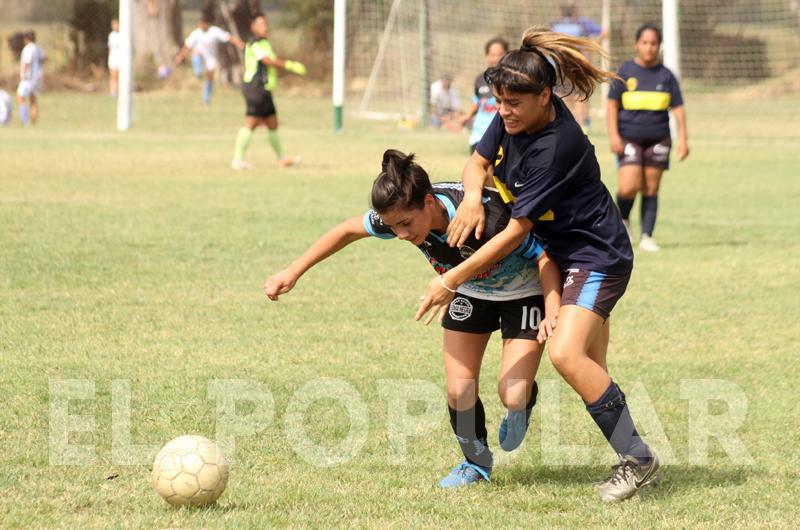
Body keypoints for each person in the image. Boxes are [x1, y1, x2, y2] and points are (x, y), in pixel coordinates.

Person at [416, 27, 660, 502]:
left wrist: (451, 278)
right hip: (563, 258)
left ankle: (639, 459)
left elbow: (516, 232)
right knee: (591, 366)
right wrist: (469, 196)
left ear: (545, 96)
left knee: (568, 356)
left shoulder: (555, 145)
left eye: (513, 103)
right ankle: (633, 453)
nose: (502, 111)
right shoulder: (513, 117)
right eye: (498, 101)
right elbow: (477, 162)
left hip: (594, 257)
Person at [265, 149, 562, 488]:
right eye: (394, 227)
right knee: (458, 390)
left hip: (522, 291)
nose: (401, 234)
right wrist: (293, 271)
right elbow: (347, 230)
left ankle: (523, 404)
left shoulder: (487, 218)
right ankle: (476, 464)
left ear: (430, 202)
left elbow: (543, 255)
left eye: (406, 224)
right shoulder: (398, 215)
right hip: (467, 290)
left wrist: (552, 303)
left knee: (512, 393)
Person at [607, 24, 689, 252]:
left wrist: (683, 139)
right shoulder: (625, 71)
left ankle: (647, 236)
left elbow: (679, 108)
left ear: (659, 46)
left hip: (659, 139)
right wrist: (614, 136)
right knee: (628, 187)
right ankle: (623, 220)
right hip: (628, 138)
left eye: (654, 43)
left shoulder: (667, 76)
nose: (649, 47)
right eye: (645, 42)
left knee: (651, 188)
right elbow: (612, 105)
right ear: (637, 44)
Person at [231, 12, 306, 170]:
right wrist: (289, 65)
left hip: (264, 89)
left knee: (272, 122)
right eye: (260, 24)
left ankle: (282, 159)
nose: (264, 26)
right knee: (251, 122)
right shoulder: (254, 43)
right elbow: (266, 60)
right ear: (253, 27)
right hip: (255, 88)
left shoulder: (265, 42)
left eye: (265, 23)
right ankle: (238, 160)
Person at [550, 1, 607, 132]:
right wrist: (591, 45)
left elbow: (603, 32)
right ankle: (580, 126)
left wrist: (590, 45)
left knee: (576, 96)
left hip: (570, 66)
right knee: (576, 96)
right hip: (566, 66)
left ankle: (577, 126)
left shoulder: (575, 23)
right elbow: (604, 32)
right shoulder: (565, 24)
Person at [175, 18, 245, 105]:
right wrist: (180, 56)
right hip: (199, 56)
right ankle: (198, 71)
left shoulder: (214, 31)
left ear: (207, 24)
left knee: (210, 77)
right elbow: (187, 46)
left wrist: (239, 43)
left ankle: (206, 97)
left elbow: (228, 37)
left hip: (210, 58)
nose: (202, 26)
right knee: (197, 57)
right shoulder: (196, 34)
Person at [462, 37, 509, 153]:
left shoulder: (511, 80)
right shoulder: (480, 80)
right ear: (487, 56)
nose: (496, 58)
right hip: (480, 136)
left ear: (507, 55)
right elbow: (476, 102)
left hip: (502, 135)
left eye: (500, 54)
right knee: (480, 168)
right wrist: (465, 117)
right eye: (492, 54)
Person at [16, 31, 45, 126]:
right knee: (33, 99)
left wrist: (24, 75)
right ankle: (34, 123)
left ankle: (25, 121)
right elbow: (44, 58)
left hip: (28, 78)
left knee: (20, 97)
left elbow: (26, 62)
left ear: (26, 39)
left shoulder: (28, 48)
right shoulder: (38, 48)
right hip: (37, 78)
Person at [107, 18, 121, 99]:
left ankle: (120, 92)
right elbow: (110, 48)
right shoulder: (111, 35)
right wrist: (110, 57)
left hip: (121, 58)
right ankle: (113, 92)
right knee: (113, 76)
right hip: (113, 58)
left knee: (120, 76)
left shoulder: (123, 34)